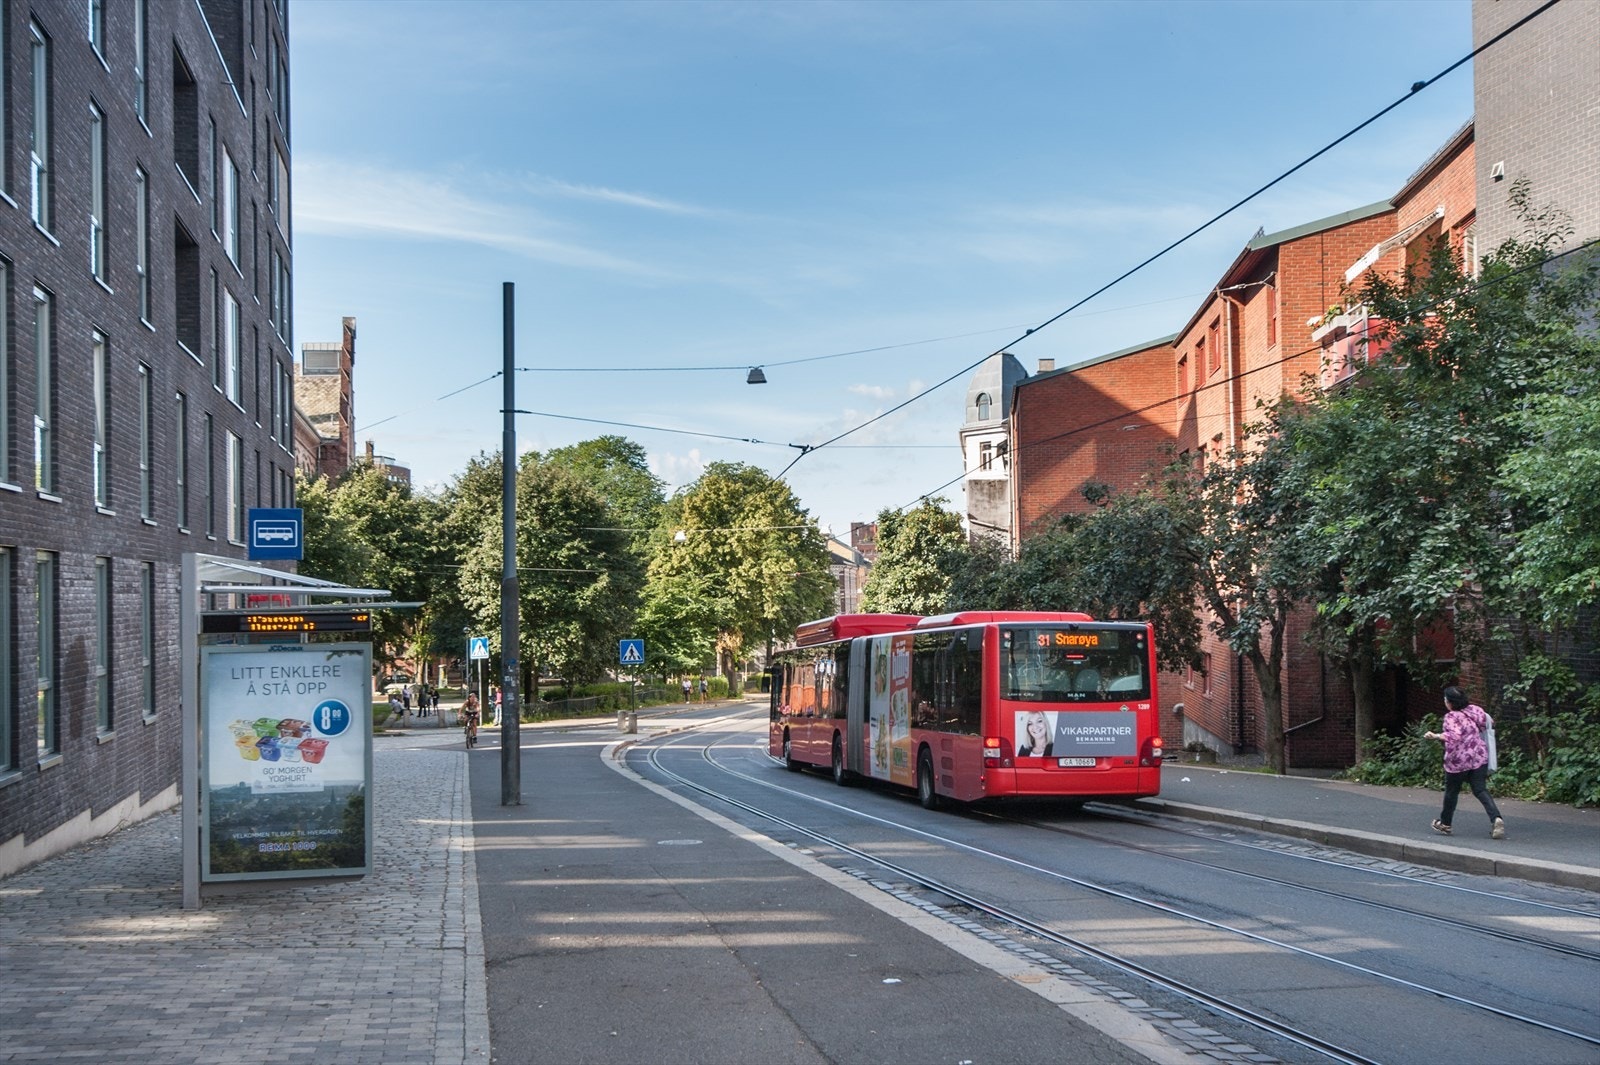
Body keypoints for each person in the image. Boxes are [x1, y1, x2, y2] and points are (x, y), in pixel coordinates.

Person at [1424, 686, 1505, 839]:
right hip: (1479, 756)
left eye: (1445, 699)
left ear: (1450, 702)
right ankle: (1496, 818)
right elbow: (1489, 722)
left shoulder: (1451, 717)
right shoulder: (1475, 709)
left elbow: (1454, 736)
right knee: (1480, 789)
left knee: (1452, 792)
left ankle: (1445, 823)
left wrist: (1435, 736)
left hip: (1458, 761)